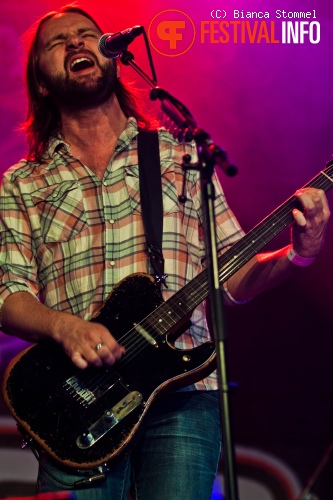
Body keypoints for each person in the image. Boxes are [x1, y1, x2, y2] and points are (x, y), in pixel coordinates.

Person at [0, 5, 330, 500]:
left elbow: (232, 275)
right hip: (74, 405)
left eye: (88, 35)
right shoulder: (22, 182)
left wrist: (296, 255)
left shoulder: (181, 156)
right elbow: (8, 296)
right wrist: (67, 328)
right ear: (41, 83)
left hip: (181, 398)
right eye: (57, 42)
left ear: (114, 56)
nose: (76, 44)